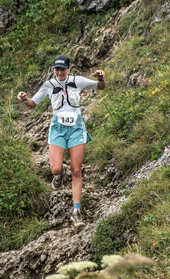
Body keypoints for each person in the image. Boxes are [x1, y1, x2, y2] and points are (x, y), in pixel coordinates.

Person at [17, 55, 105, 227]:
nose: (59, 72)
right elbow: (33, 103)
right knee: (56, 168)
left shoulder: (78, 81)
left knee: (77, 170)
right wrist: (23, 99)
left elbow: (100, 87)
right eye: (56, 69)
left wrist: (101, 78)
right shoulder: (48, 85)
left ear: (68, 69)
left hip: (76, 129)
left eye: (62, 69)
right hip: (57, 129)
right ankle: (59, 175)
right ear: (53, 70)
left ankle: (76, 211)